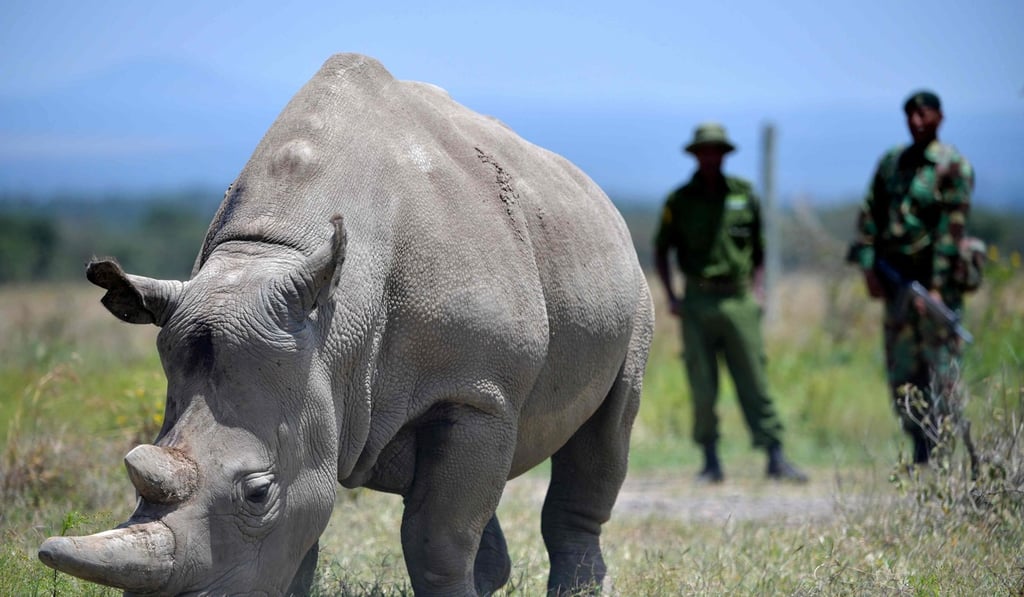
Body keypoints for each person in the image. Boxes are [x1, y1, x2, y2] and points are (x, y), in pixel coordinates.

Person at [654, 122, 807, 484]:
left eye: (716, 151)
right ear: (696, 155)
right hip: (697, 301)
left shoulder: (744, 194)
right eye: (704, 151)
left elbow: (760, 249)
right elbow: (662, 251)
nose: (710, 157)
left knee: (755, 380)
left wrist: (758, 292)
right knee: (702, 385)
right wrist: (673, 296)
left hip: (739, 299)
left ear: (724, 154)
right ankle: (710, 461)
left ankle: (775, 456)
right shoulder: (679, 200)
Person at [847, 90, 980, 465]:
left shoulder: (953, 166)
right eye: (910, 115)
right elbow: (869, 214)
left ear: (940, 117)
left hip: (935, 288)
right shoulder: (893, 162)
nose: (916, 122)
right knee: (902, 373)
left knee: (943, 375)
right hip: (896, 285)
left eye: (924, 115)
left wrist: (935, 287)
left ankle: (948, 452)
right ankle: (919, 448)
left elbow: (951, 231)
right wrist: (868, 266)